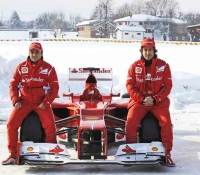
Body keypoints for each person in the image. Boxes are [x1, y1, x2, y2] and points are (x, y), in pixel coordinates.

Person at [2, 42, 59, 165]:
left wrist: (46, 102)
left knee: (50, 125)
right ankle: (13, 154)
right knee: (11, 124)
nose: (34, 54)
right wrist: (15, 100)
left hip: (41, 102)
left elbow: (54, 88)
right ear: (29, 53)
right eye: (32, 52)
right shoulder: (21, 67)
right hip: (24, 102)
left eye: (37, 52)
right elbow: (13, 85)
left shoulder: (49, 68)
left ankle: (52, 152)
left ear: (41, 53)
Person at [126, 38, 175, 166]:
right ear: (141, 51)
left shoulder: (164, 66)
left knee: (166, 123)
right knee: (130, 122)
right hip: (139, 102)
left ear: (154, 50)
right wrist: (141, 99)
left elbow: (168, 86)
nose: (148, 52)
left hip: (158, 102)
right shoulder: (134, 66)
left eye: (150, 50)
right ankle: (130, 153)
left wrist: (155, 98)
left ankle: (166, 155)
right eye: (145, 50)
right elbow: (130, 86)